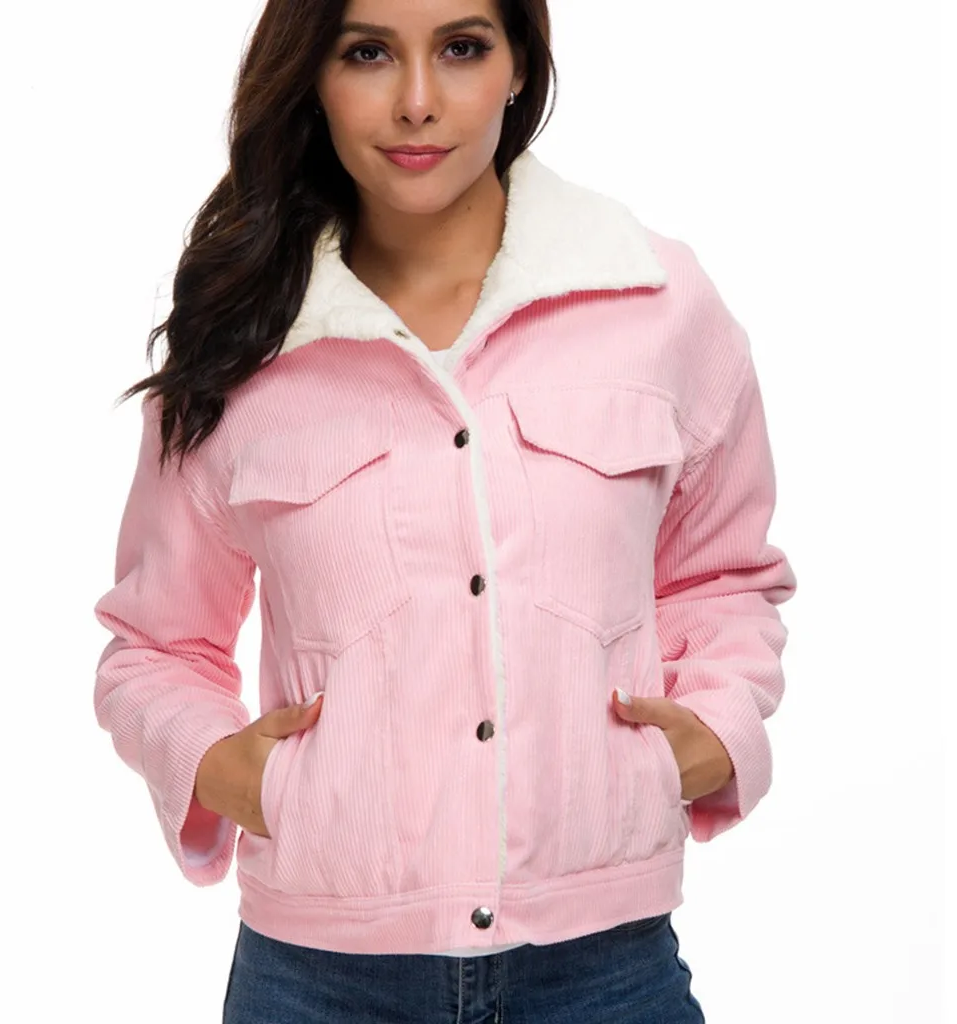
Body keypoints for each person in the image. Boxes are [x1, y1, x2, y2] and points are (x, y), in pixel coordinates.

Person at [92, 0, 798, 1020]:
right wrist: (221, 767)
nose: (417, 102)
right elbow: (155, 643)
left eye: (463, 48)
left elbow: (722, 574)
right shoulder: (245, 341)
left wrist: (715, 729)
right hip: (318, 981)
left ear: (520, 66)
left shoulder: (653, 301)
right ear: (313, 75)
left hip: (605, 972)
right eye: (368, 52)